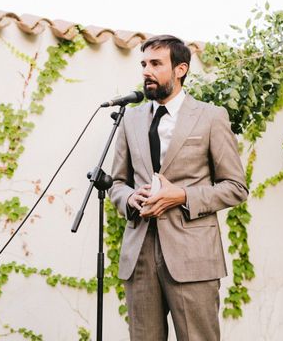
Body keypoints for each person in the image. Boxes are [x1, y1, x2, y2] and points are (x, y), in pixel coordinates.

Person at [109, 34, 248, 341]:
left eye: (156, 64)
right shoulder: (129, 119)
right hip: (140, 256)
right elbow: (117, 183)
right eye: (144, 63)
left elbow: (236, 187)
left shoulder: (211, 117)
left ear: (180, 69)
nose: (146, 71)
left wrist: (182, 195)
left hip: (193, 257)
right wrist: (130, 197)